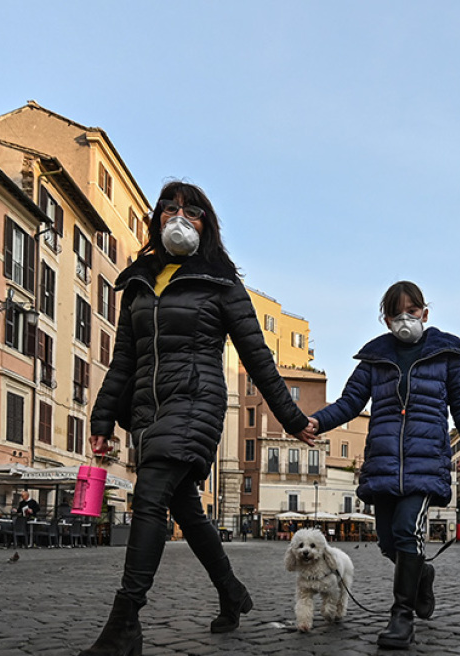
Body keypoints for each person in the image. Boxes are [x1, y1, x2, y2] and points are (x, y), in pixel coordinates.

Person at [81, 181, 316, 656]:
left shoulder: (221, 282)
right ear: (157, 220)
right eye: (169, 208)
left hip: (197, 401)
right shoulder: (139, 283)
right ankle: (231, 591)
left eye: (192, 210)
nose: (179, 216)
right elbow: (123, 361)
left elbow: (257, 356)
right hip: (149, 413)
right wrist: (102, 420)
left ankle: (125, 622)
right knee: (186, 509)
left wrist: (292, 419)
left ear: (207, 225)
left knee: (148, 500)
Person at [308, 281, 460, 650]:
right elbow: (350, 402)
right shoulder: (375, 358)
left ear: (425, 313)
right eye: (397, 313)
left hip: (425, 462)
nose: (406, 319)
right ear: (386, 319)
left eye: (413, 311)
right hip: (384, 462)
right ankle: (422, 575)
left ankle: (401, 616)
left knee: (407, 532)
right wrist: (317, 422)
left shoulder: (446, 354)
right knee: (388, 543)